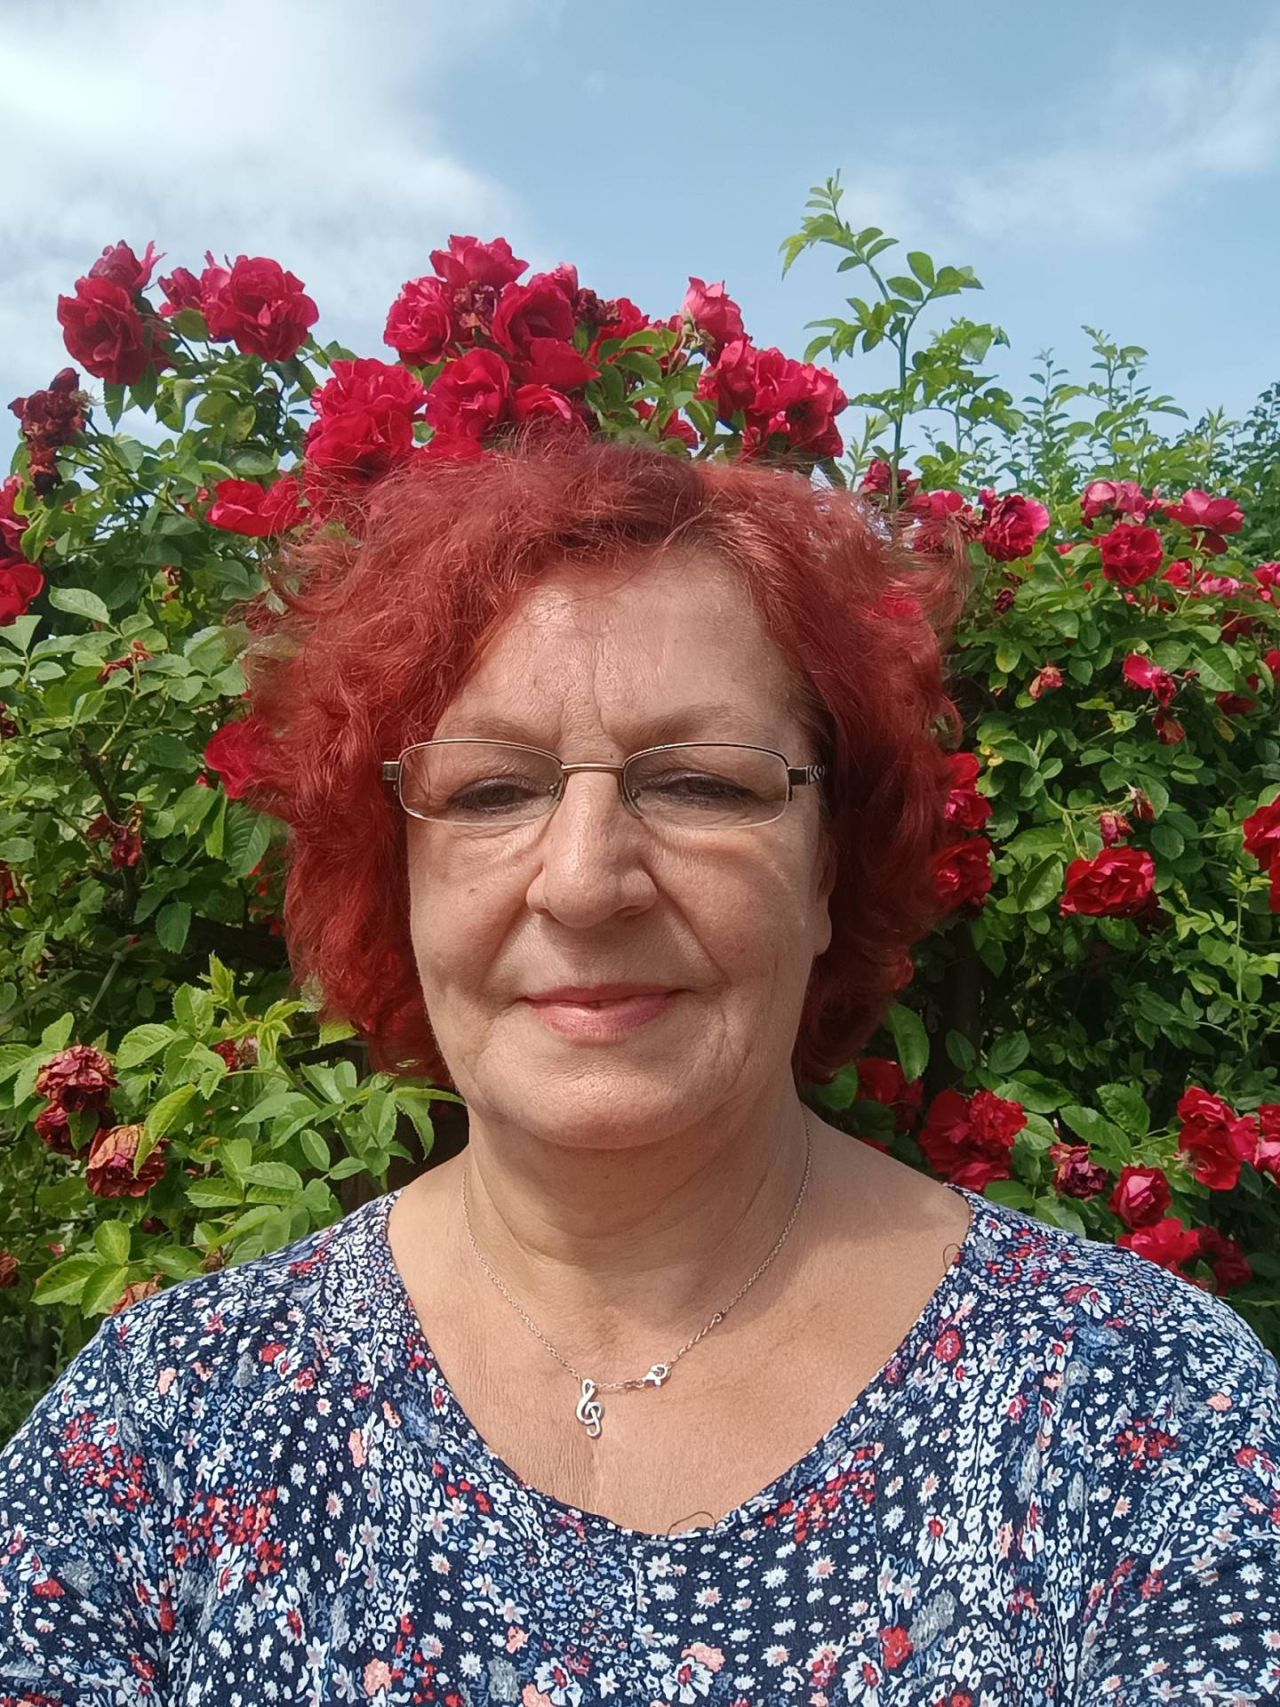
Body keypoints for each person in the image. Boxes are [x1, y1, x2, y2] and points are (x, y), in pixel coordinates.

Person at [1, 439, 1277, 1706]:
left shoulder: (1143, 1411)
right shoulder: (167, 1425)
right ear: (397, 872)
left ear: (825, 870)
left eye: (700, 785)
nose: (583, 881)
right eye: (491, 791)